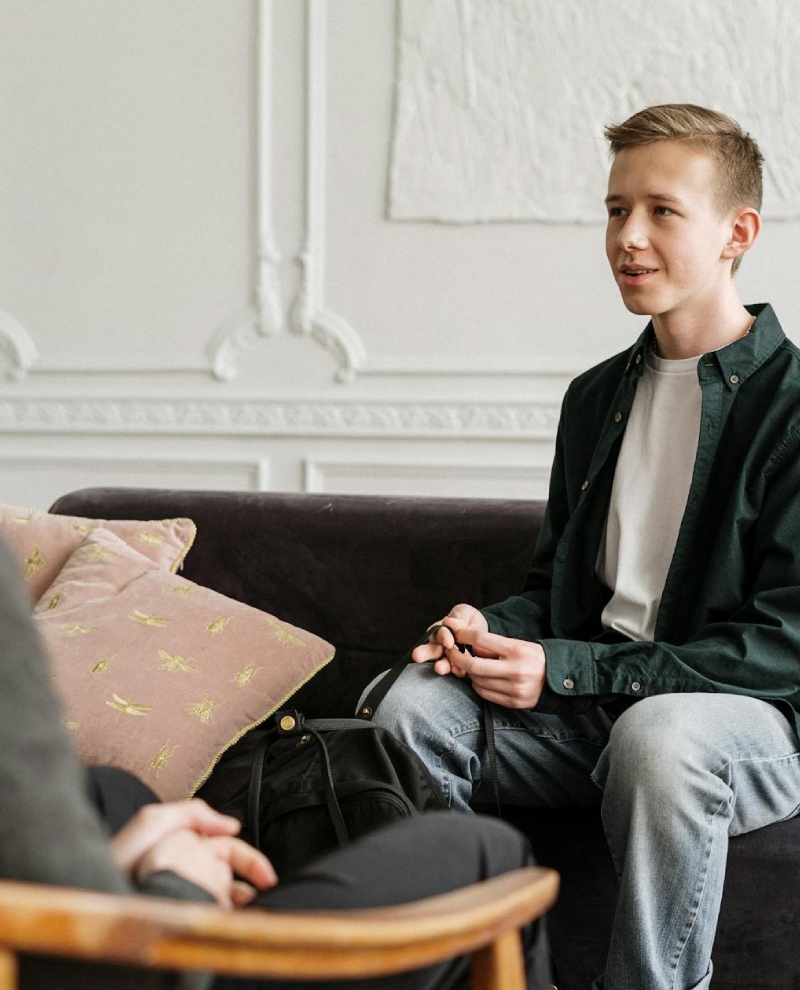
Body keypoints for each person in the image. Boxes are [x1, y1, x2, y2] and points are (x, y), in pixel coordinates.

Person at [369, 104, 800, 990]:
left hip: (742, 726)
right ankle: (468, 974)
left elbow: (783, 647)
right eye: (614, 210)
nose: (628, 238)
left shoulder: (792, 409)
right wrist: (487, 626)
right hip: (592, 712)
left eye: (661, 211)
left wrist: (565, 670)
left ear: (738, 232)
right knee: (410, 711)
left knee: (659, 739)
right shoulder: (596, 397)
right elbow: (560, 592)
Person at [0, 534, 548, 990]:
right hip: (121, 964)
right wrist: (176, 896)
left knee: (116, 794)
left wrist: (123, 857)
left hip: (68, 917)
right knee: (486, 851)